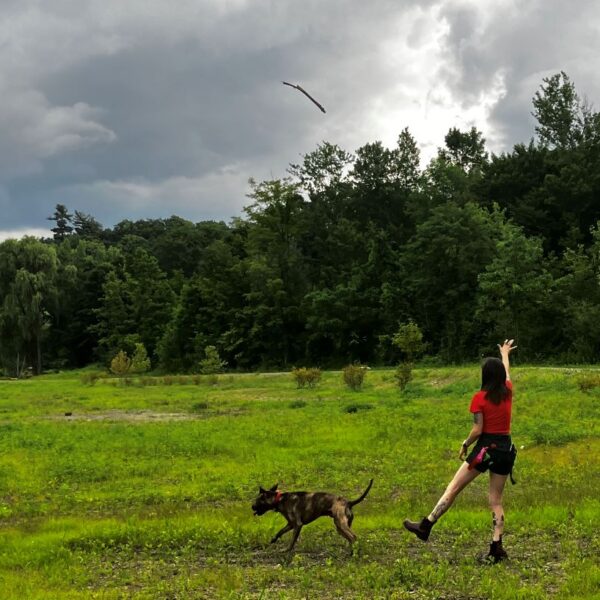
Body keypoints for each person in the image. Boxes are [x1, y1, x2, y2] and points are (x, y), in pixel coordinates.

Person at [403, 339, 517, 563]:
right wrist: (505, 354)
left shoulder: (479, 398)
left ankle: (426, 526)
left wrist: (465, 443)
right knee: (496, 500)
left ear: (485, 375)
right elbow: (508, 375)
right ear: (500, 376)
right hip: (505, 449)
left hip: (485, 449)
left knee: (453, 487)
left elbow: (478, 429)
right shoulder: (508, 392)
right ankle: (496, 547)